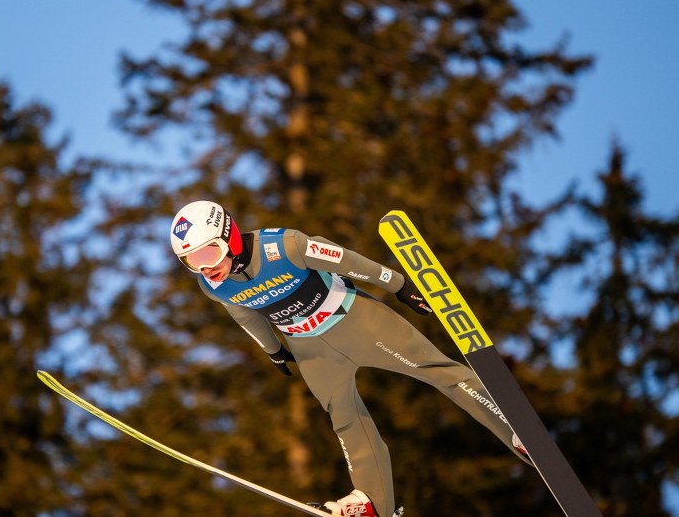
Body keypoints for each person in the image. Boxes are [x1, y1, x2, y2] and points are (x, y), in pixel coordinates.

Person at [169, 200, 529, 517]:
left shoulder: (285, 245)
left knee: (436, 370)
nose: (204, 268)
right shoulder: (214, 285)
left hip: (354, 319)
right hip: (310, 349)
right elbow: (244, 314)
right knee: (345, 419)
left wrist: (399, 285)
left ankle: (512, 426)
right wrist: (273, 350)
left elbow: (347, 260)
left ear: (229, 236)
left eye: (207, 255)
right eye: (190, 261)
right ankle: (374, 504)